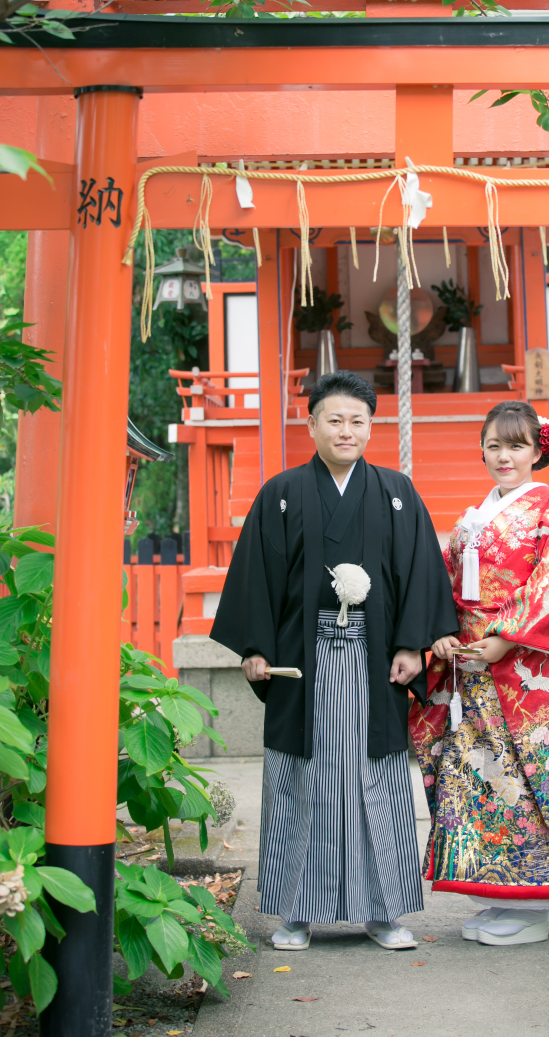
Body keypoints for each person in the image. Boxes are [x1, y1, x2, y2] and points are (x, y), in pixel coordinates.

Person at [210, 370, 458, 953]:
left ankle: (385, 913)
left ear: (371, 427)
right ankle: (296, 912)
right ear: (312, 424)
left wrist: (409, 646)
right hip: (303, 662)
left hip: (377, 663)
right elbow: (257, 577)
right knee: (301, 783)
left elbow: (420, 573)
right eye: (334, 419)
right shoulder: (283, 493)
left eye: (357, 420)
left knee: (378, 782)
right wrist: (255, 647)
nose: (346, 430)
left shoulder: (397, 492)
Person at [409, 400, 549, 947]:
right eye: (495, 445)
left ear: (537, 452)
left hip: (526, 669)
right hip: (474, 667)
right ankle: (496, 894)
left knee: (527, 782)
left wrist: (504, 638)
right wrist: (443, 631)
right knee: (478, 777)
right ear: (482, 448)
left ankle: (533, 908)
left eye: (516, 445)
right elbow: (450, 585)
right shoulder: (475, 516)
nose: (504, 456)